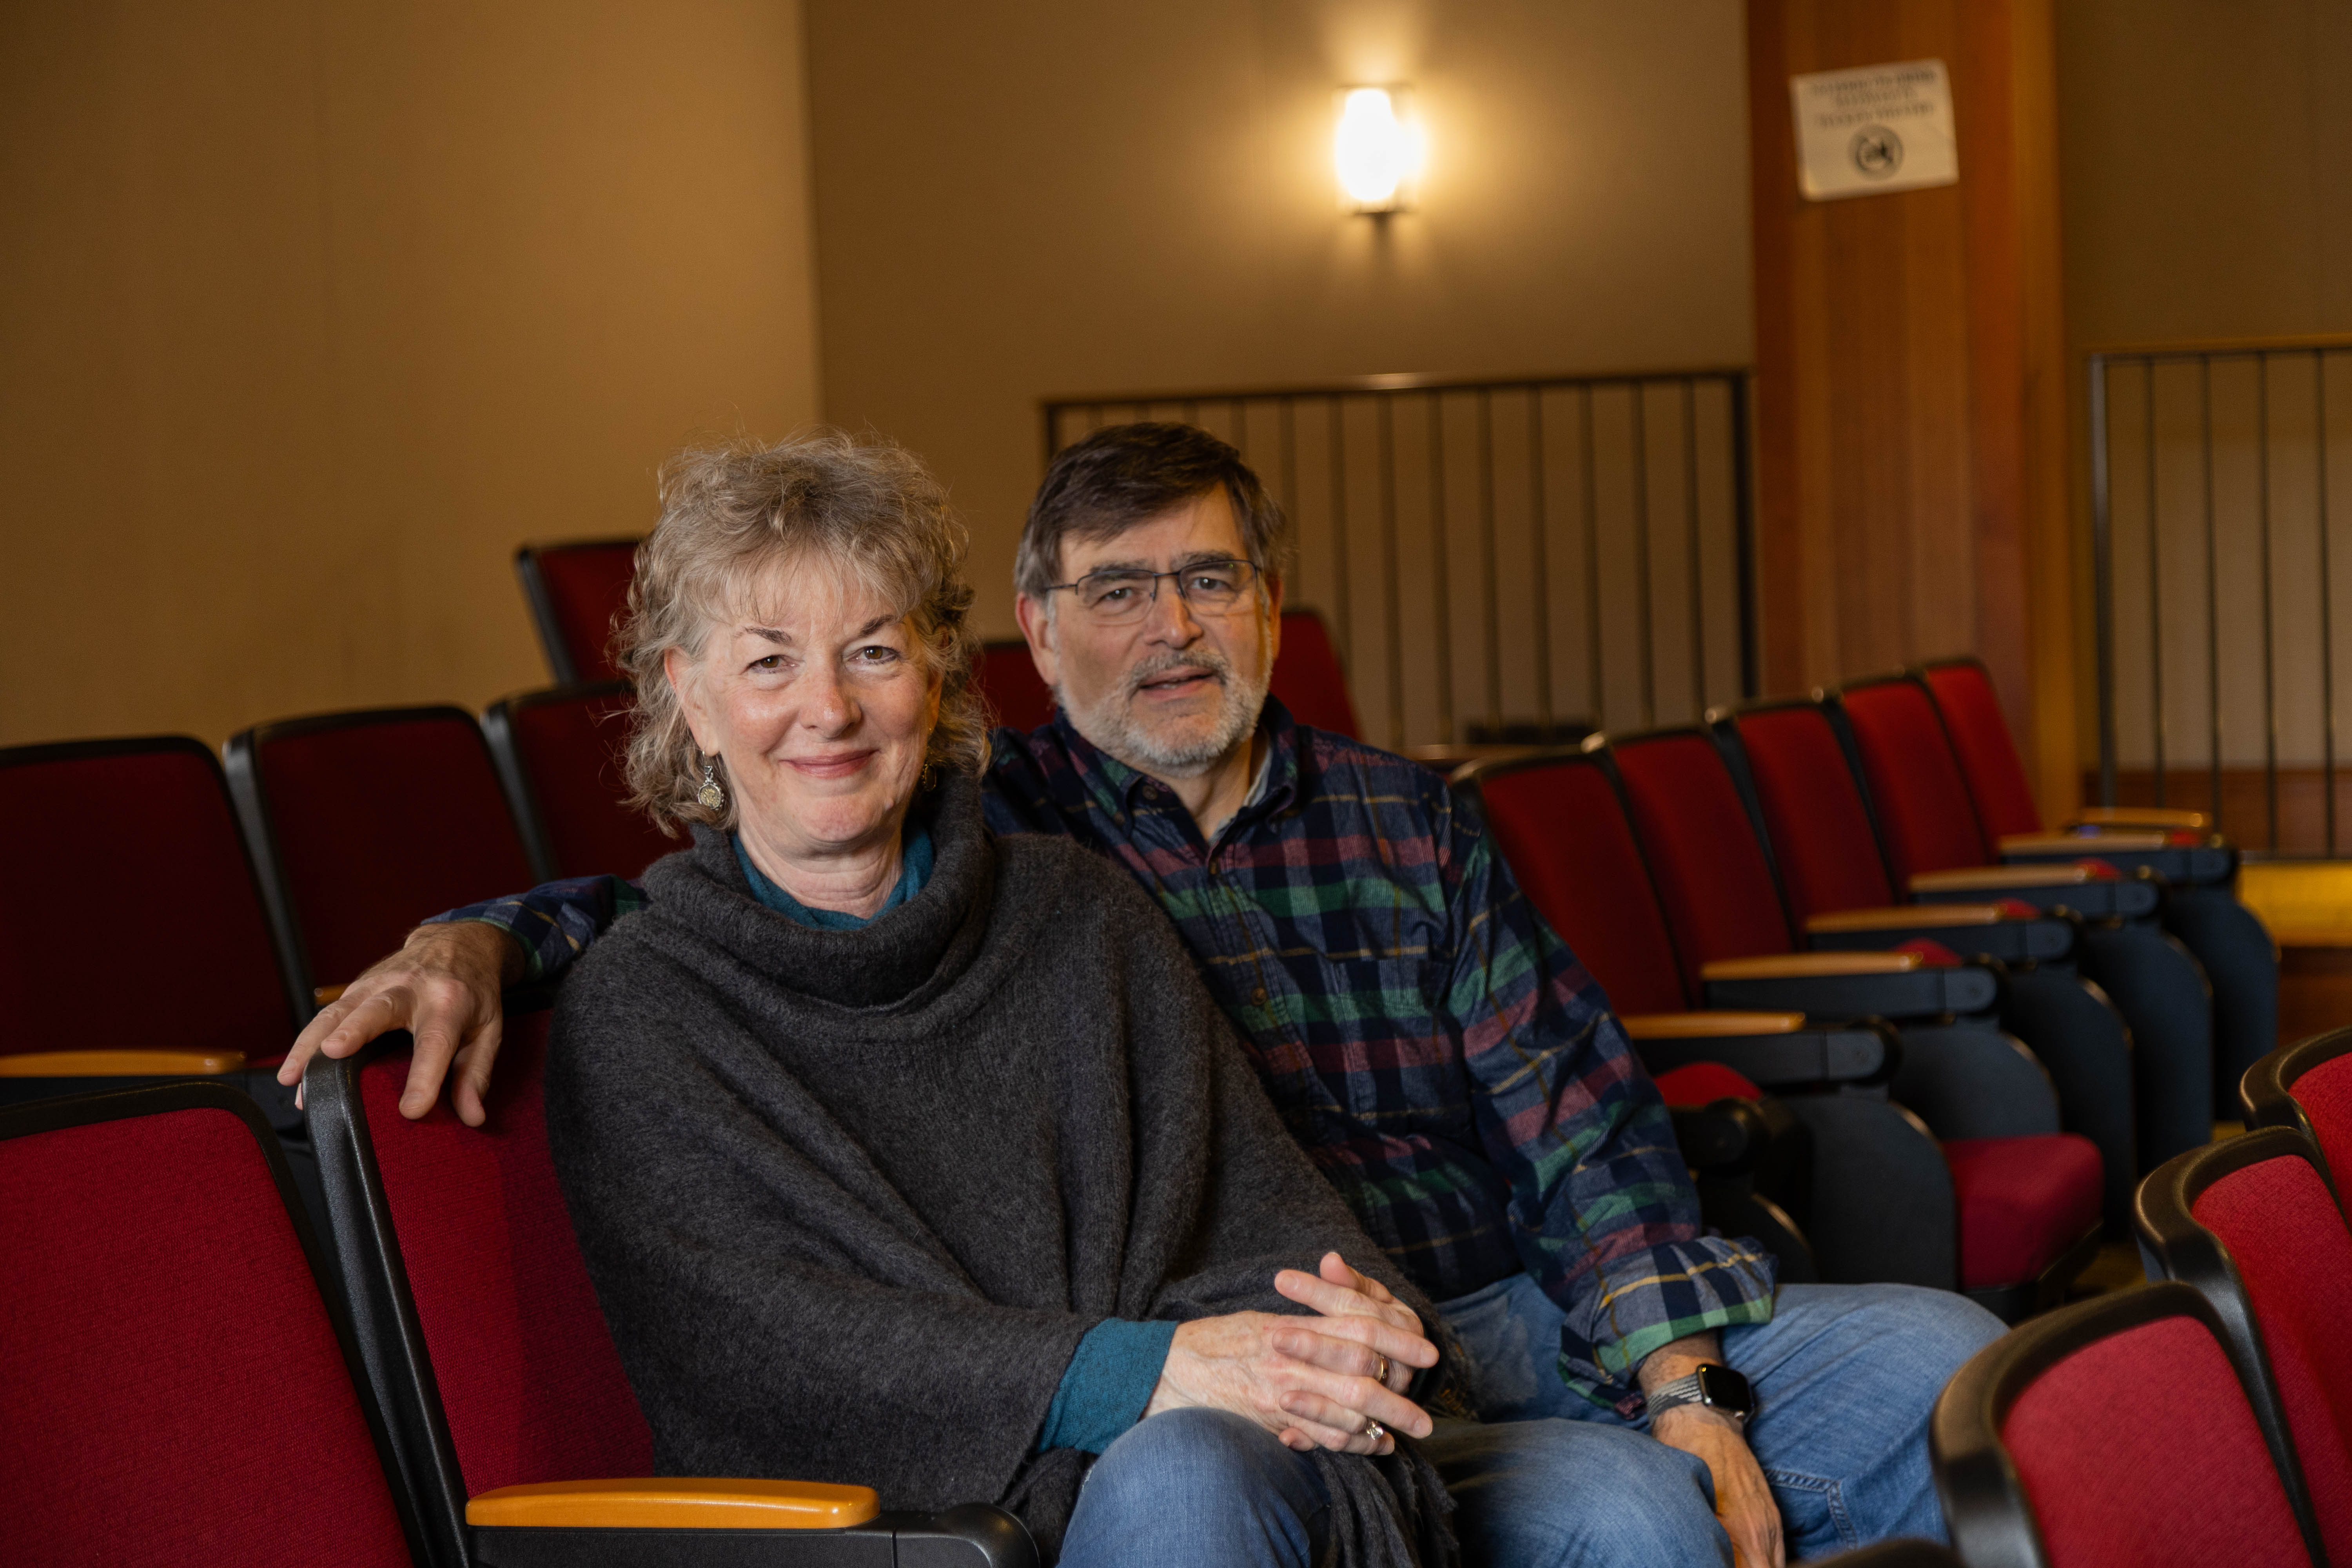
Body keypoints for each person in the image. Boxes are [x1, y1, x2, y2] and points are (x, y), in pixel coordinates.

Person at [287, 423, 2002, 1566]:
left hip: (1468, 1309)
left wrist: (1681, 1380)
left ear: (1271, 603)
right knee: (1614, 1514)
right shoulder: (992, 826)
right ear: (1036, 632)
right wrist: (487, 933)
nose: (1169, 628)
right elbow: (724, 909)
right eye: (1117, 589)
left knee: (1959, 1360)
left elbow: (1579, 1121)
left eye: (1209, 580)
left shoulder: (1378, 830)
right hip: (1230, 1373)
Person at [532, 433, 1454, 1568]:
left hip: (1196, 1466)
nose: (827, 709)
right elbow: (770, 1357)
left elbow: (1256, 1211)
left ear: (936, 676)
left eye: (872, 651)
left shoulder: (1078, 913)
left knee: (1622, 1502)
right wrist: (1143, 1375)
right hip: (898, 1537)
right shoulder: (645, 1006)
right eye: (769, 663)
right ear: (692, 701)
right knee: (1186, 1469)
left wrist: (1341, 1332)